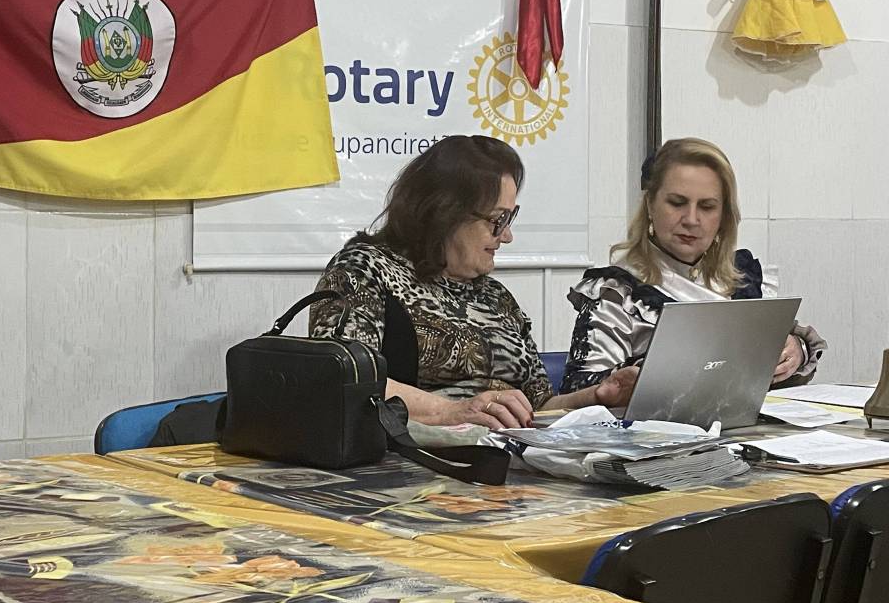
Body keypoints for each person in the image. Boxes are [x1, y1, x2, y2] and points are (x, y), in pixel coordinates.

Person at [309, 135, 637, 430]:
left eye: (509, 218)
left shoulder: (496, 296)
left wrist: (596, 397)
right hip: (407, 459)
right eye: (497, 220)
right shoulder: (364, 270)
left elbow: (537, 406)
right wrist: (452, 412)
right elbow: (347, 378)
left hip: (500, 458)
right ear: (445, 213)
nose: (506, 236)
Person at [561, 137, 826, 394]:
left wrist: (795, 351)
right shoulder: (618, 292)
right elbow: (580, 392)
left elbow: (783, 353)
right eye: (677, 203)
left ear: (723, 216)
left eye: (707, 207)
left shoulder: (744, 278)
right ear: (650, 204)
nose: (691, 219)